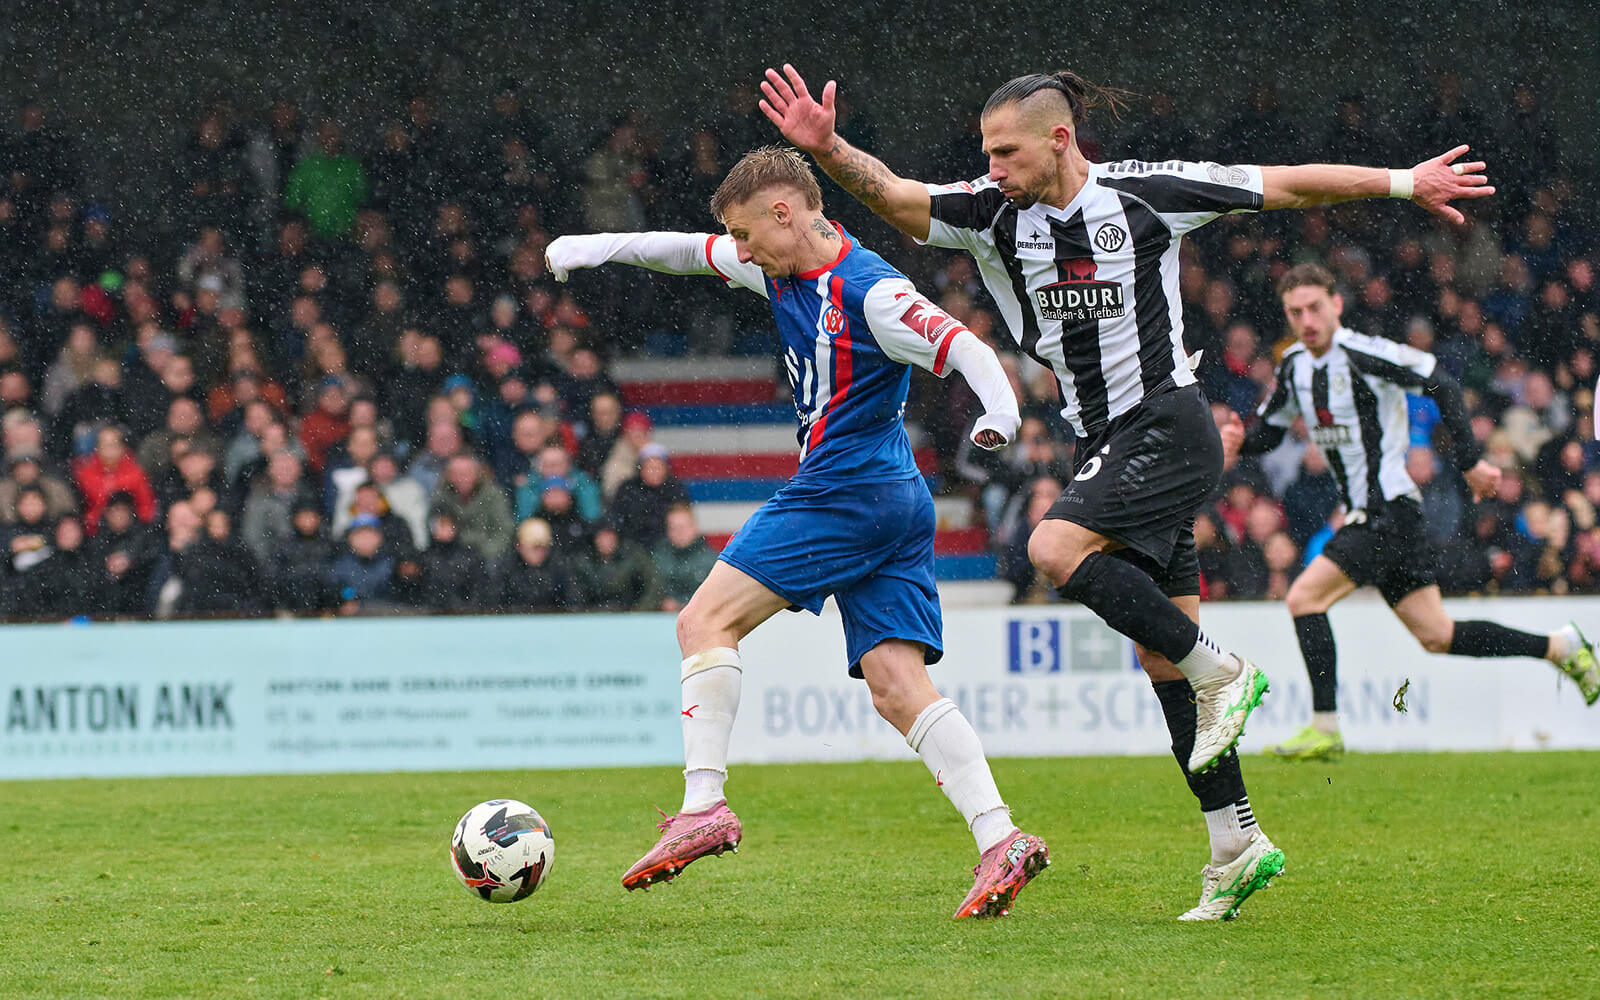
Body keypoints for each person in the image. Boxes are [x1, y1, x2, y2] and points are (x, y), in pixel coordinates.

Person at [760, 63, 1490, 919]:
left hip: (1168, 422)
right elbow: (897, 196)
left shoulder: (1145, 195)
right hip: (1107, 442)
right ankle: (1236, 841)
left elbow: (1284, 187)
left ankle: (1224, 672)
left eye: (1006, 150)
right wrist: (827, 147)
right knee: (1158, 657)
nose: (991, 166)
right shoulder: (993, 213)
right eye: (985, 152)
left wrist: (1406, 182)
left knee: (1052, 547)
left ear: (1059, 139)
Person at [546, 146, 1047, 919]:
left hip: (846, 492)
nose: (739, 252)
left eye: (747, 234)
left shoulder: (873, 292)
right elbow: (684, 252)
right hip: (893, 496)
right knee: (895, 685)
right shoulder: (777, 267)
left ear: (787, 212)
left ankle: (704, 804)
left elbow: (965, 346)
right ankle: (1001, 836)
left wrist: (1001, 417)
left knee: (703, 620)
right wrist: (595, 248)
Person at [1239, 264, 1598, 760]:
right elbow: (1269, 433)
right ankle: (1560, 647)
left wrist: (1471, 461)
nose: (1307, 320)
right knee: (1437, 635)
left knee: (1304, 599)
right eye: (1295, 312)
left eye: (1315, 307)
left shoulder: (1364, 353)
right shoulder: (1295, 367)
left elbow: (1442, 383)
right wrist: (1234, 441)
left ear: (1336, 304)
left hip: (1386, 511)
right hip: (1381, 518)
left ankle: (1325, 726)